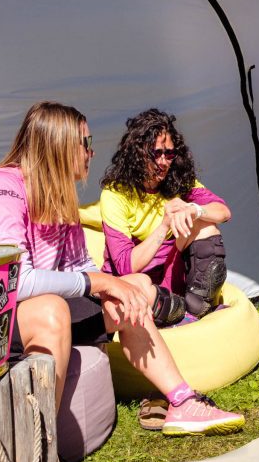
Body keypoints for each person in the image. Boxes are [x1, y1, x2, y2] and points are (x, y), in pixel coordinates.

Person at [0, 101, 244, 462]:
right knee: (54, 309)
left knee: (130, 292)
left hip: (32, 308)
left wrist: (117, 289)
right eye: (85, 142)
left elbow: (79, 265)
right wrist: (99, 280)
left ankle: (182, 402)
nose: (91, 151)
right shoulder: (2, 189)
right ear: (59, 145)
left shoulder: (59, 194)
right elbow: (17, 282)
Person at [99, 109, 230, 323]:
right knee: (140, 283)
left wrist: (195, 210)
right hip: (135, 282)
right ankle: (176, 316)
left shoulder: (178, 181)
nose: (163, 162)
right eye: (156, 153)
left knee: (206, 226)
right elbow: (126, 266)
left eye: (169, 154)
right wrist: (164, 226)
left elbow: (223, 212)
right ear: (138, 153)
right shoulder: (115, 194)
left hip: (171, 276)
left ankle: (192, 311)